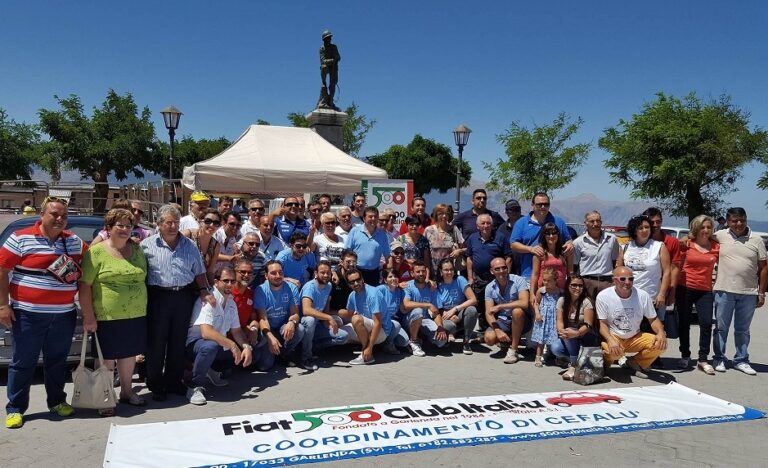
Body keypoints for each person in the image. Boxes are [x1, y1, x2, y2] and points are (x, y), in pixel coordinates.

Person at [0, 196, 88, 428]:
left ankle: (57, 402)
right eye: (55, 214)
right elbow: (2, 271)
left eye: (64, 216)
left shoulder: (74, 242)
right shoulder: (20, 238)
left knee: (57, 361)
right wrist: (3, 305)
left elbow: (96, 254)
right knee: (23, 362)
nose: (60, 219)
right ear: (42, 214)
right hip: (27, 314)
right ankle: (15, 408)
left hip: (63, 314)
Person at [140, 204, 214, 402]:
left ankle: (174, 381)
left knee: (178, 341)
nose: (173, 226)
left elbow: (199, 271)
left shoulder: (189, 245)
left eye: (176, 222)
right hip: (158, 297)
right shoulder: (146, 245)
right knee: (156, 342)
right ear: (159, 224)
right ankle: (156, 384)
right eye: (168, 222)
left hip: (183, 297)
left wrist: (204, 291)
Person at [79, 208, 148, 416]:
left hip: (135, 314)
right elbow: (84, 286)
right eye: (120, 225)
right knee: (106, 358)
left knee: (128, 355)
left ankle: (127, 391)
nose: (125, 229)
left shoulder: (137, 250)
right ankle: (105, 396)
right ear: (108, 228)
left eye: (129, 226)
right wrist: (88, 315)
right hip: (106, 316)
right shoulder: (96, 252)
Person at [185, 266, 254, 405]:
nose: (230, 284)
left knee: (240, 353)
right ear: (216, 282)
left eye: (232, 281)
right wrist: (232, 345)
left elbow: (236, 331)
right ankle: (194, 386)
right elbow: (206, 332)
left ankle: (210, 369)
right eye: (226, 281)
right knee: (211, 347)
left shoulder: (231, 303)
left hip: (217, 345)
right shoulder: (207, 300)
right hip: (195, 345)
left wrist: (246, 347)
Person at [712, 207, 767, 375]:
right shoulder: (720, 236)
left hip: (749, 292)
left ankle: (741, 360)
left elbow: (764, 268)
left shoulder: (757, 240)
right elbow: (699, 238)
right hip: (723, 290)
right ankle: (719, 358)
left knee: (743, 329)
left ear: (746, 220)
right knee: (721, 327)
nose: (738, 223)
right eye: (734, 220)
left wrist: (761, 292)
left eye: (741, 220)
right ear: (728, 222)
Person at [597, 266, 667, 379]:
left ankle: (635, 362)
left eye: (631, 279)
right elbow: (602, 323)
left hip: (635, 336)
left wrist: (660, 333)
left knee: (661, 345)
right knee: (615, 352)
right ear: (614, 280)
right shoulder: (603, 296)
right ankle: (606, 362)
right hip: (614, 336)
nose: (627, 282)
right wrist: (610, 340)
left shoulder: (642, 295)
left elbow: (653, 319)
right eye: (623, 279)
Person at [676, 215, 719, 373]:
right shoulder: (687, 244)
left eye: (708, 227)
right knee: (684, 323)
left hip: (705, 290)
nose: (705, 230)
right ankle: (685, 355)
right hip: (685, 287)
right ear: (696, 228)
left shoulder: (716, 246)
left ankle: (703, 358)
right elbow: (673, 257)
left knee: (706, 323)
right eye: (702, 227)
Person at [252, 261, 304, 370]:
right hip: (267, 330)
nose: (278, 276)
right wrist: (270, 337)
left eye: (280, 272)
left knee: (299, 329)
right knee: (264, 366)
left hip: (282, 328)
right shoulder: (260, 290)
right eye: (273, 273)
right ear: (266, 276)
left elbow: (295, 314)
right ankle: (262, 355)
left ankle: (283, 354)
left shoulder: (291, 288)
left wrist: (292, 322)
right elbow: (263, 318)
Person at [617, 215, 671, 320]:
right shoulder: (626, 247)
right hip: (629, 296)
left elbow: (667, 272)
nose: (644, 230)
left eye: (647, 227)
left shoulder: (659, 246)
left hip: (652, 297)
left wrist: (662, 294)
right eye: (640, 228)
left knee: (652, 331)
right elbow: (618, 271)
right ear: (634, 230)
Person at [510, 192, 573, 282]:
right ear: (533, 205)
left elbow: (568, 240)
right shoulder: (522, 222)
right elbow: (513, 244)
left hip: (556, 277)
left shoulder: (558, 221)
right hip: (529, 275)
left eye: (546, 204)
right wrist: (531, 249)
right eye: (539, 204)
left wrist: (570, 244)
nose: (543, 207)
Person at [465, 214, 513, 332]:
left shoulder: (500, 237)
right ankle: (484, 330)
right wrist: (470, 277)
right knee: (481, 305)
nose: (486, 226)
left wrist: (504, 275)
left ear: (492, 225)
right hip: (479, 279)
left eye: (488, 223)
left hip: (497, 278)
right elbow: (469, 258)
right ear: (477, 226)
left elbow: (509, 257)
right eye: (483, 223)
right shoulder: (472, 238)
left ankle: (499, 329)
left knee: (498, 304)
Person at [300, 261, 349, 370]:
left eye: (328, 273)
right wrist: (329, 317)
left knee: (343, 336)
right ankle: (306, 357)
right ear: (316, 273)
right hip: (303, 325)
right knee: (310, 320)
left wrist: (328, 323)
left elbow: (325, 310)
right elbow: (306, 310)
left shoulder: (329, 286)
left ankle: (311, 348)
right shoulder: (310, 287)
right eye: (322, 272)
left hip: (318, 325)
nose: (326, 275)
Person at [550, 274, 599, 381]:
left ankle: (573, 365)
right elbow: (559, 320)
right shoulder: (562, 300)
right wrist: (561, 332)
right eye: (574, 285)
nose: (578, 288)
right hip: (570, 337)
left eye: (580, 286)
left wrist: (575, 333)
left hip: (587, 336)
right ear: (567, 286)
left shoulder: (586, 301)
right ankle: (579, 361)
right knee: (555, 348)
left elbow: (588, 325)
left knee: (570, 332)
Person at [483, 257, 531, 364]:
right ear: (492, 271)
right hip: (504, 320)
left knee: (517, 311)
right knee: (489, 338)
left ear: (507, 268)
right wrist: (497, 330)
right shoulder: (490, 287)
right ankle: (509, 338)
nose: (501, 271)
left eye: (503, 268)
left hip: (522, 319)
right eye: (497, 269)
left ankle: (513, 350)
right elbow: (488, 312)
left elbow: (524, 303)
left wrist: (501, 306)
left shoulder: (518, 280)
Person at [340, 268, 387, 365]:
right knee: (339, 333)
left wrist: (369, 347)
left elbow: (378, 323)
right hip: (367, 326)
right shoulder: (352, 295)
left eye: (358, 280)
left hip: (382, 331)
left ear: (362, 279)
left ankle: (366, 354)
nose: (356, 283)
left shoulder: (373, 294)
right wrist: (334, 314)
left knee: (356, 319)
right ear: (349, 284)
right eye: (352, 282)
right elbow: (349, 313)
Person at [402, 261, 449, 355]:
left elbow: (436, 312)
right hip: (409, 320)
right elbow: (406, 304)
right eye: (418, 271)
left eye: (423, 271)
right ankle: (414, 341)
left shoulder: (431, 288)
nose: (421, 274)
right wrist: (427, 305)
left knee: (441, 341)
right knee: (418, 311)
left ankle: (424, 339)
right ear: (412, 273)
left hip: (424, 320)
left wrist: (440, 327)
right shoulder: (408, 286)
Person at [573, 210, 619, 304]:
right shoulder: (578, 242)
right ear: (585, 223)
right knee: (588, 311)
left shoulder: (612, 239)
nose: (596, 224)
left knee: (606, 311)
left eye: (598, 221)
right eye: (592, 221)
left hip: (607, 282)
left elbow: (615, 261)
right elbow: (575, 265)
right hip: (587, 283)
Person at [436, 258, 479, 355]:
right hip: (446, 315)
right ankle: (447, 337)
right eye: (446, 270)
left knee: (472, 310)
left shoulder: (460, 279)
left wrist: (455, 309)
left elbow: (473, 300)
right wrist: (450, 316)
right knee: (448, 325)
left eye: (451, 269)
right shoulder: (437, 285)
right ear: (441, 271)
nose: (449, 272)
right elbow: (438, 308)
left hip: (459, 312)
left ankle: (466, 342)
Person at [643, 207, 682, 312]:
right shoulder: (640, 241)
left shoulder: (672, 242)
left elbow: (674, 268)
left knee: (661, 322)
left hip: (663, 290)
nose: (655, 225)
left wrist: (672, 292)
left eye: (658, 221)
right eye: (652, 222)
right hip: (643, 288)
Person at [344, 206, 390, 285]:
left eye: (375, 217)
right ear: (364, 218)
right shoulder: (354, 231)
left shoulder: (383, 235)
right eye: (370, 217)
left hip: (374, 273)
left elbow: (388, 257)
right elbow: (347, 252)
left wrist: (389, 274)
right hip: (357, 272)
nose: (373, 219)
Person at [529, 222, 571, 301]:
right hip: (544, 291)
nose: (551, 236)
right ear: (543, 236)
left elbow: (570, 273)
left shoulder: (565, 252)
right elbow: (535, 274)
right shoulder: (539, 253)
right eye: (547, 233)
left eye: (554, 233)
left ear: (558, 234)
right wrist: (532, 294)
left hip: (561, 292)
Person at [182, 208, 222, 285]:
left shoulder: (216, 246)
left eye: (216, 223)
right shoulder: (187, 235)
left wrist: (213, 289)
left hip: (200, 286)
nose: (212, 225)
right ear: (200, 221)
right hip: (182, 283)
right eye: (208, 221)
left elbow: (210, 272)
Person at [531, 268, 561, 368]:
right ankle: (538, 357)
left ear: (556, 280)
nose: (546, 282)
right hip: (543, 317)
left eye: (549, 280)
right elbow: (536, 303)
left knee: (555, 337)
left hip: (554, 318)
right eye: (544, 280)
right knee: (541, 339)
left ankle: (557, 356)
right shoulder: (541, 291)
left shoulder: (559, 292)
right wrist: (537, 313)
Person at [377, 268, 411, 354]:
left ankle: (385, 341)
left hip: (391, 320)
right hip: (379, 320)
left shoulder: (399, 292)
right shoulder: (380, 289)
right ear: (385, 280)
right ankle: (386, 344)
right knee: (396, 325)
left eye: (395, 276)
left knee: (404, 341)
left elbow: (403, 310)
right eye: (390, 277)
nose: (393, 278)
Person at [424, 203, 465, 273]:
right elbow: (425, 254)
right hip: (433, 272)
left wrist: (459, 251)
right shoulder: (429, 230)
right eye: (441, 213)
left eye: (446, 213)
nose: (444, 216)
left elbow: (465, 247)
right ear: (436, 215)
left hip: (449, 272)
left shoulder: (453, 229)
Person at [230, 259, 260, 345]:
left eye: (250, 272)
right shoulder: (227, 292)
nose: (246, 275)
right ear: (235, 272)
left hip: (243, 336)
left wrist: (254, 329)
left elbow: (254, 319)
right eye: (242, 272)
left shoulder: (251, 294)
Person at [496, 199, 523, 274]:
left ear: (520, 210)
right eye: (511, 210)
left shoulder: (527, 224)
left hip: (526, 266)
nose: (514, 212)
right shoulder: (502, 229)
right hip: (509, 269)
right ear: (506, 211)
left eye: (517, 209)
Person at [329, 249, 357, 314]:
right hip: (333, 313)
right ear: (341, 262)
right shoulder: (334, 278)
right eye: (348, 262)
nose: (351, 264)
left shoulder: (357, 277)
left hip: (350, 312)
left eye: (354, 262)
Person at [319, 30, 341, 109]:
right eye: (328, 38)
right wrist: (333, 60)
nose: (330, 39)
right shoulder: (322, 49)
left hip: (334, 67)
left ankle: (331, 100)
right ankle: (324, 96)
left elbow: (338, 57)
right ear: (324, 39)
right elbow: (323, 61)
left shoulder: (334, 47)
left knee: (333, 83)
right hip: (326, 67)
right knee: (324, 67)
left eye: (330, 38)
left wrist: (334, 60)